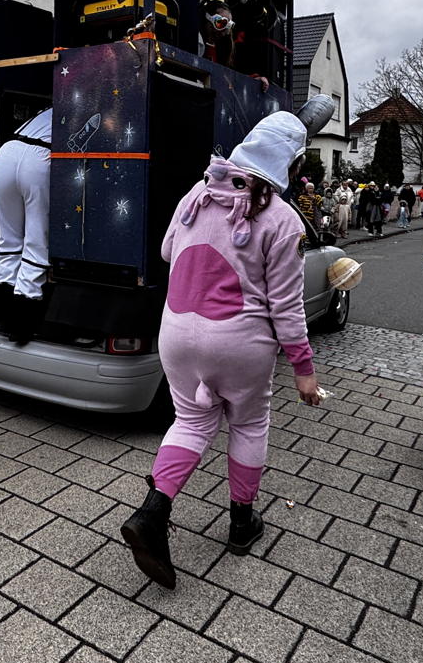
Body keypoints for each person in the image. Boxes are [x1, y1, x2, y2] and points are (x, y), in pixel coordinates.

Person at [122, 106, 329, 590]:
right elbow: (286, 304)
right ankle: (241, 523)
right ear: (291, 166)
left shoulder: (198, 193)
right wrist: (304, 368)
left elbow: (168, 253)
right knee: (250, 422)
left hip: (176, 332)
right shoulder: (282, 219)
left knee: (191, 421)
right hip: (239, 341)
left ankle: (153, 514)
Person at [0, 106, 53, 344]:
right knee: (36, 241)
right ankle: (21, 324)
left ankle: (3, 318)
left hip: (8, 151)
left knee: (8, 238)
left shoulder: (43, 111)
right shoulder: (83, 106)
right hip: (40, 156)